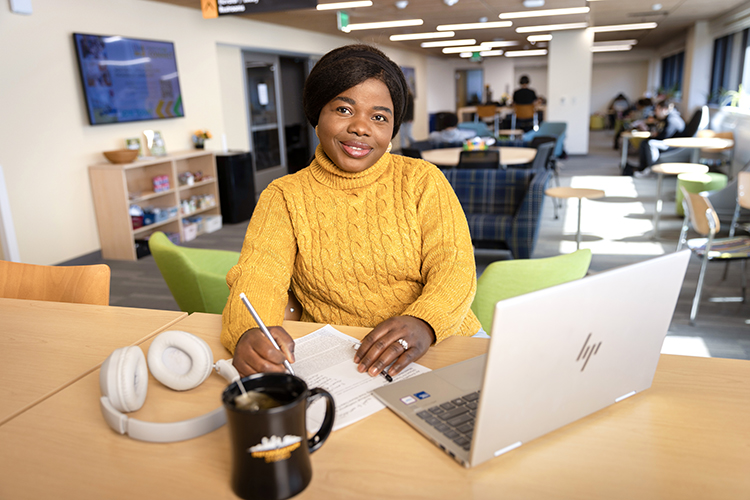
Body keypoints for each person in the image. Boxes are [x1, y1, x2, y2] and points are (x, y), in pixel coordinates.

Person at [221, 44, 481, 378]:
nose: (361, 127)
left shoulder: (421, 180)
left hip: (442, 340)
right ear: (317, 115)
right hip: (345, 358)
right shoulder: (284, 196)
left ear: (392, 129)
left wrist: (425, 322)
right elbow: (261, 276)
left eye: (379, 117)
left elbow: (455, 267)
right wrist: (248, 332)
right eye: (344, 110)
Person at [623, 99, 685, 177]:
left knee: (650, 143)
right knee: (644, 142)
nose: (655, 112)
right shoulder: (668, 118)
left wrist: (654, 135)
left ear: (664, 109)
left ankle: (651, 169)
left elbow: (664, 136)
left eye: (656, 110)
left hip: (675, 146)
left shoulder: (672, 120)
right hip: (668, 142)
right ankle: (643, 168)